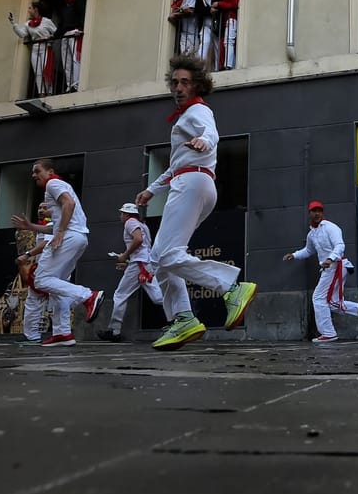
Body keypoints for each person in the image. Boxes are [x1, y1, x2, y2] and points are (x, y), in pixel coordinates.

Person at [134, 56, 248, 350]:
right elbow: (175, 165)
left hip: (192, 184)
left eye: (185, 82)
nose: (178, 87)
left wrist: (205, 142)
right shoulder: (185, 117)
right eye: (174, 82)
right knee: (160, 258)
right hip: (194, 181)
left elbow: (211, 132)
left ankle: (231, 288)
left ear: (197, 84)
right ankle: (183, 318)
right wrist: (151, 190)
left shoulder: (197, 110)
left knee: (168, 255)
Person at [10, 159, 105, 346]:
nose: (34, 175)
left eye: (37, 171)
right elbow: (54, 226)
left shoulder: (53, 183)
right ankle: (63, 333)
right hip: (77, 237)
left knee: (41, 279)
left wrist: (60, 232)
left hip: (69, 237)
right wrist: (30, 226)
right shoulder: (59, 186)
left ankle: (88, 296)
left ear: (50, 171)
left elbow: (69, 204)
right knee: (56, 287)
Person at [284, 201, 350, 342]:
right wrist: (294, 255)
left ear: (323, 212)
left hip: (335, 265)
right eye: (314, 211)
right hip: (330, 267)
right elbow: (308, 250)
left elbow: (340, 245)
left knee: (318, 298)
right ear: (309, 213)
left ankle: (328, 333)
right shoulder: (312, 234)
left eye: (319, 210)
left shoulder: (331, 227)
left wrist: (330, 259)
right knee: (333, 302)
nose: (317, 213)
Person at [101, 202, 165, 342]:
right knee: (157, 296)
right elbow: (142, 245)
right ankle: (180, 312)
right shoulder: (143, 225)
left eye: (122, 213)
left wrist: (124, 255)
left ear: (126, 214)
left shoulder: (130, 222)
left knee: (120, 294)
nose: (121, 216)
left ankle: (114, 331)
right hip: (144, 263)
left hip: (140, 263)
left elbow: (138, 239)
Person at [12, 2, 59, 96]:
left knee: (46, 71)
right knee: (37, 72)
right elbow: (22, 34)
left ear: (35, 10)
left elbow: (56, 33)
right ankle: (41, 92)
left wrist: (49, 37)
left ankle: (49, 91)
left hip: (45, 47)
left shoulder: (46, 21)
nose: (28, 10)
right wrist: (13, 23)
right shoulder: (28, 24)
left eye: (30, 8)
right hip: (35, 49)